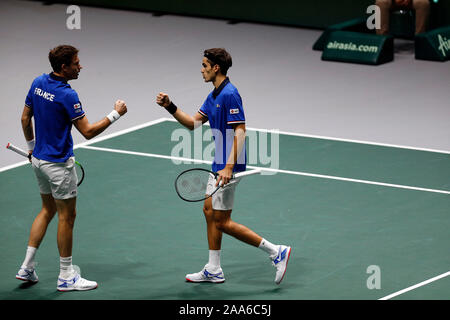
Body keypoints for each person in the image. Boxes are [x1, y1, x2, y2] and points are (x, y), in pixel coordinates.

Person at [156, 48, 291, 285]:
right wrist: (170, 106)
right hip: (218, 163)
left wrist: (229, 167)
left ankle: (275, 251)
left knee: (222, 221)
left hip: (230, 165)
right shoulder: (214, 95)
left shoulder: (230, 94)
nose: (201, 69)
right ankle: (213, 268)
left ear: (215, 67)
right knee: (209, 212)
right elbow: (192, 124)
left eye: (204, 65)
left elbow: (241, 131)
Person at [16, 45, 127, 291]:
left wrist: (32, 147)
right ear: (64, 67)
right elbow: (87, 131)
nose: (80, 66)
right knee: (67, 217)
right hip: (58, 164)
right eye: (76, 63)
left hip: (38, 161)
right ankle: (66, 275)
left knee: (47, 209)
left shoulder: (37, 82)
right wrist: (115, 114)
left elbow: (25, 118)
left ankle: (27, 266)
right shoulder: (68, 95)